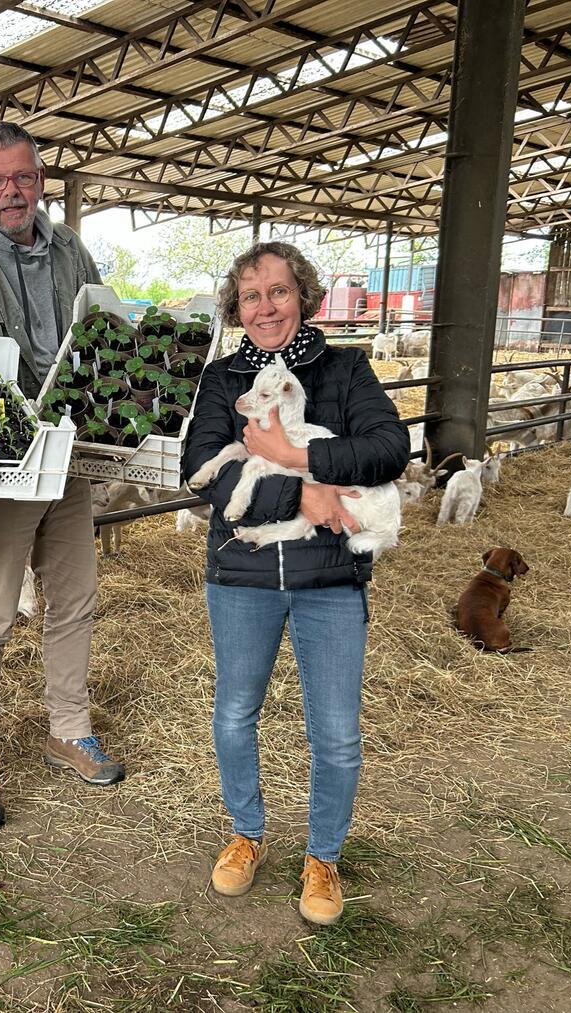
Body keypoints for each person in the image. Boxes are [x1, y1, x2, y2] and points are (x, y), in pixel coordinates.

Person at [182, 241, 409, 925]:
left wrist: (292, 453)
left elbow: (389, 447)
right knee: (234, 713)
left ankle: (323, 856)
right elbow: (204, 470)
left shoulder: (345, 369)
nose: (265, 307)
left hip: (329, 577)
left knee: (335, 732)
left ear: (303, 297)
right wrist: (303, 494)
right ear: (238, 307)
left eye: (278, 291)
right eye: (251, 296)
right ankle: (246, 832)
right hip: (243, 573)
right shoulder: (223, 379)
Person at [0, 121, 125, 832]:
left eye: (23, 177)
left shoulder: (71, 251)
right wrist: (13, 433)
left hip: (70, 454)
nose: (12, 191)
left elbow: (102, 336)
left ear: (41, 180)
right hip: (4, 465)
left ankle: (69, 728)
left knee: (74, 597)